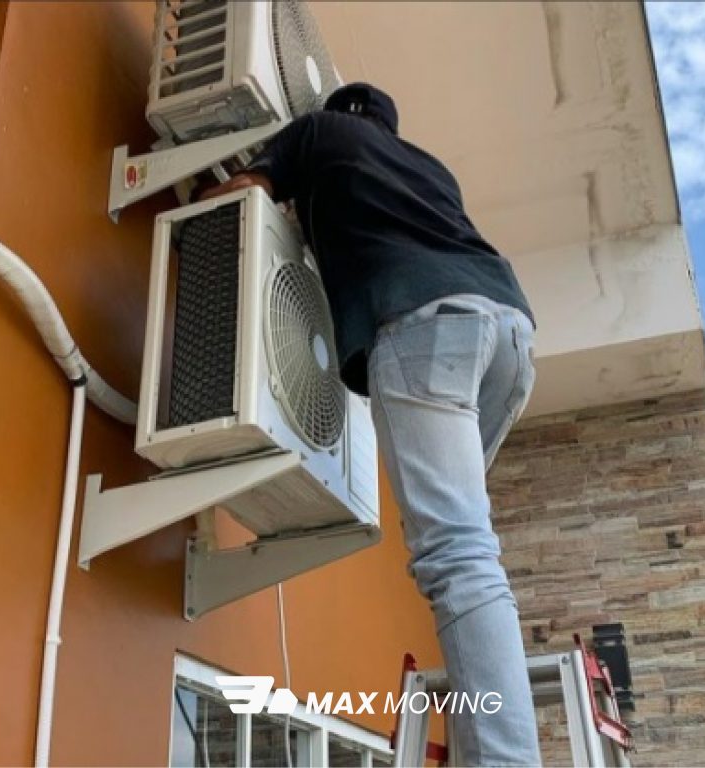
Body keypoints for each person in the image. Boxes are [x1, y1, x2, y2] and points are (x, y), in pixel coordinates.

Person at [202, 83, 541, 767]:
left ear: (335, 110)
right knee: (466, 550)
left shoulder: (318, 132)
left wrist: (199, 203)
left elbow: (240, 196)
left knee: (458, 557)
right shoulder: (429, 168)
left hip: (425, 326)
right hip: (508, 334)